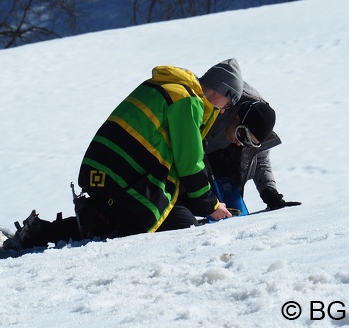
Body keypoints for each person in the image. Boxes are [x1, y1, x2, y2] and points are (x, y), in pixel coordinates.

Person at [12, 58, 244, 249]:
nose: (224, 109)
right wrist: (211, 206)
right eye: (229, 102)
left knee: (124, 217)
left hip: (104, 166)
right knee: (179, 225)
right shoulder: (186, 100)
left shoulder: (169, 88)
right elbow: (189, 163)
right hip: (122, 172)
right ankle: (67, 231)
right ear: (221, 90)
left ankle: (41, 231)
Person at [204, 82, 301, 211]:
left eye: (249, 143)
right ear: (238, 117)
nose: (240, 143)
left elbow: (260, 158)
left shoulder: (261, 119)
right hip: (192, 159)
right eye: (242, 134)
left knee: (232, 207)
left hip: (223, 169)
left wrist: (268, 191)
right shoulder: (217, 102)